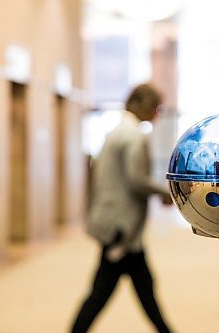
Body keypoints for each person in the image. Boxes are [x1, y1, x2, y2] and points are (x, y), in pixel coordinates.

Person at [71, 83, 174, 333]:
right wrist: (166, 193)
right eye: (155, 108)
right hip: (122, 229)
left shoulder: (116, 131)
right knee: (101, 294)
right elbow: (137, 180)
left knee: (143, 288)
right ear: (144, 106)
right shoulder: (133, 135)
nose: (156, 114)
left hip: (120, 226)